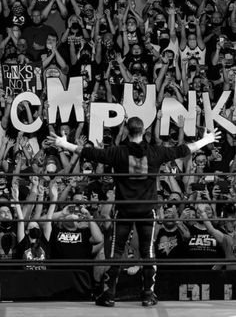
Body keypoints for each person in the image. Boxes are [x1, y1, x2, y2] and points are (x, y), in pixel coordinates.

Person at [48, 116, 221, 307]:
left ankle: (110, 294)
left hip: (125, 210)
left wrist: (64, 144)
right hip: (147, 210)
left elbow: (90, 153)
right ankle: (147, 295)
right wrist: (207, 140)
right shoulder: (156, 152)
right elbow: (183, 150)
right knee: (147, 252)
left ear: (128, 132)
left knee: (116, 253)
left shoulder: (117, 152)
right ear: (143, 131)